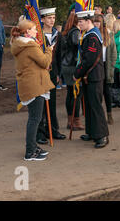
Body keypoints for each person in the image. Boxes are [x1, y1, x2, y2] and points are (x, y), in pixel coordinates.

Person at [10, 19, 53, 161]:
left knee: (34, 118)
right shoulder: (29, 45)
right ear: (27, 31)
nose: (36, 31)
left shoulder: (20, 44)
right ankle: (30, 152)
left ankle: (33, 147)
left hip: (30, 83)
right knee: (34, 119)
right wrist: (49, 50)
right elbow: (45, 61)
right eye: (34, 29)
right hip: (34, 85)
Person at [74, 9, 109, 148]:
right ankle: (92, 132)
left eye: (81, 22)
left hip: (94, 76)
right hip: (89, 76)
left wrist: (77, 73)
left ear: (88, 21)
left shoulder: (93, 36)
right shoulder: (89, 34)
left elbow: (89, 59)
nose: (79, 24)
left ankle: (102, 135)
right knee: (88, 105)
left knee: (95, 106)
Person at [35, 8, 66, 144]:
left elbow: (59, 56)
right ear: (42, 20)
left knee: (52, 102)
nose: (52, 20)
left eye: (53, 18)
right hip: (40, 73)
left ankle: (53, 129)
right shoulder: (37, 35)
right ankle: (40, 132)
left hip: (53, 73)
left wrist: (59, 73)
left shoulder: (57, 35)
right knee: (41, 103)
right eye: (49, 18)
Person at [60, 10, 84, 131]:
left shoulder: (66, 31)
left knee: (70, 93)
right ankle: (76, 121)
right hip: (73, 65)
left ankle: (70, 121)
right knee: (76, 94)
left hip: (66, 65)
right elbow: (78, 44)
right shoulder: (75, 32)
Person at [94, 13, 117, 124]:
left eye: (98, 22)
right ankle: (99, 116)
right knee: (97, 92)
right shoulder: (91, 34)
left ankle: (109, 114)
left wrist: (111, 67)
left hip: (106, 65)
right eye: (95, 22)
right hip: (95, 66)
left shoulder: (109, 34)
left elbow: (113, 53)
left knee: (107, 91)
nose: (96, 24)